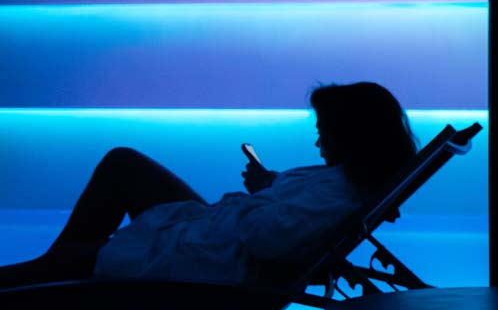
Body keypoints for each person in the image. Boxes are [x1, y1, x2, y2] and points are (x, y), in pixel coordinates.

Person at [0, 82, 417, 292]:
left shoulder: (337, 193)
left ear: (352, 136)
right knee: (123, 162)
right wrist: (272, 184)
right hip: (213, 235)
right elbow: (288, 217)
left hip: (205, 256)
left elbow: (266, 239)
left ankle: (55, 268)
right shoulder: (348, 181)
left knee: (54, 270)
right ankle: (60, 262)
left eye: (323, 133)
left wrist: (262, 192)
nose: (318, 143)